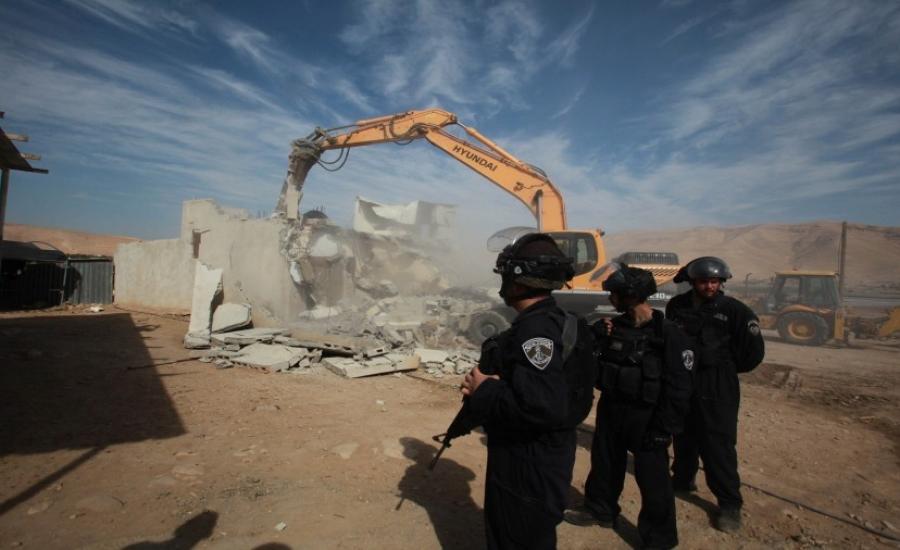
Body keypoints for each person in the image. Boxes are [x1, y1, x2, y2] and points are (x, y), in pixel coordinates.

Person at [461, 233, 594, 550]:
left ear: (518, 281)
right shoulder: (563, 320)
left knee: (517, 534)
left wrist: (484, 389)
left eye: (506, 275)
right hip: (546, 453)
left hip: (527, 459)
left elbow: (540, 406)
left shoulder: (535, 331)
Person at [564, 266, 693, 549]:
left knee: (653, 478)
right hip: (612, 408)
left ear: (631, 295)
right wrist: (595, 336)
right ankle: (600, 510)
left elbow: (679, 386)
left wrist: (665, 427)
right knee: (605, 463)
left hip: (648, 416)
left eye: (615, 293)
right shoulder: (614, 327)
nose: (611, 298)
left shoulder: (668, 334)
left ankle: (659, 538)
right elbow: (586, 361)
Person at [666, 256, 765, 532]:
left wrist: (723, 368)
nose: (709, 286)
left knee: (717, 442)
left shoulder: (736, 311)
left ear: (721, 282)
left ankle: (729, 504)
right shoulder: (677, 306)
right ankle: (683, 479)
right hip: (684, 379)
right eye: (703, 281)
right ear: (692, 282)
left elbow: (753, 353)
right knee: (683, 433)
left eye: (714, 281)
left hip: (717, 383)